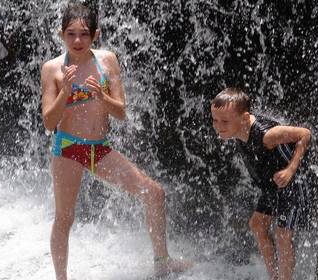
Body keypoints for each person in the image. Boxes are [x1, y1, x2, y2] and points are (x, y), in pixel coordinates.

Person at [40, 3, 191, 279]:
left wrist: (101, 97)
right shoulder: (52, 69)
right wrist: (66, 93)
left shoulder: (107, 60)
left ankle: (162, 261)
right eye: (71, 34)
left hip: (99, 149)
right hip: (68, 148)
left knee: (154, 193)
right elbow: (49, 123)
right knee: (65, 218)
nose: (77, 40)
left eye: (84, 34)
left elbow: (120, 112)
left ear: (95, 34)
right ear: (61, 34)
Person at [210, 87, 312, 280]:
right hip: (272, 186)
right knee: (257, 225)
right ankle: (274, 276)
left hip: (293, 184)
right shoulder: (238, 130)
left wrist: (290, 170)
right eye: (215, 120)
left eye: (224, 121)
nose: (218, 126)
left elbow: (305, 134)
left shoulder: (267, 135)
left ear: (244, 117)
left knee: (282, 234)